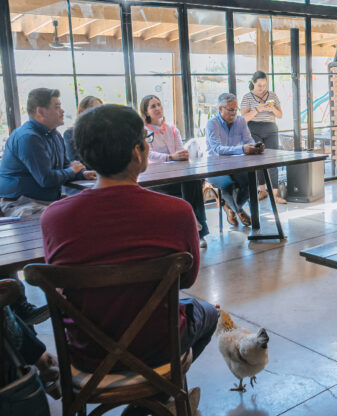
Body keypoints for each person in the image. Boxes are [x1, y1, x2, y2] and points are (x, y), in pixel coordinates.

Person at [40, 105, 217, 413]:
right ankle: (161, 399)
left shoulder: (55, 217)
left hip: (86, 357)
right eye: (145, 141)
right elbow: (187, 279)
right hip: (159, 351)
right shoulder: (176, 212)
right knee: (209, 313)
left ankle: (154, 403)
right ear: (138, 151)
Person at [0, 88, 96, 216]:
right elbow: (46, 179)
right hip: (21, 204)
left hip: (47, 201)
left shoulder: (55, 135)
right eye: (57, 107)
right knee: (68, 217)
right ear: (40, 112)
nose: (62, 111)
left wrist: (82, 174)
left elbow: (66, 166)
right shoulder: (28, 138)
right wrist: (72, 171)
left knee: (92, 209)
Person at [140, 95, 209, 248]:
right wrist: (170, 157)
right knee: (191, 187)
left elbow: (179, 148)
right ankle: (199, 232)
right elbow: (149, 154)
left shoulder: (171, 128)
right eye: (153, 106)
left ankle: (195, 231)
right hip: (154, 179)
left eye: (159, 104)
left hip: (175, 175)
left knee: (193, 182)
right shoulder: (143, 131)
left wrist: (183, 153)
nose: (158, 108)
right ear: (146, 112)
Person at [206, 93, 264, 228]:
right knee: (227, 185)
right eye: (230, 110)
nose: (234, 113)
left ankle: (230, 207)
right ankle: (239, 210)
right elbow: (217, 149)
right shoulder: (212, 124)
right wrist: (242, 149)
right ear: (220, 109)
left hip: (235, 165)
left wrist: (256, 147)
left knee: (250, 181)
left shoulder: (241, 121)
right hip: (215, 166)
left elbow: (248, 141)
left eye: (236, 109)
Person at [240, 71, 286, 204]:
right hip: (253, 130)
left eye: (264, 85)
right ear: (253, 83)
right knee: (258, 161)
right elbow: (243, 118)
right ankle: (263, 191)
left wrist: (272, 109)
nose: (262, 88)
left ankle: (275, 194)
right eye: (259, 85)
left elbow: (280, 115)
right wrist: (258, 110)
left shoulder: (272, 95)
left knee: (273, 160)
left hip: (271, 129)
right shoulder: (247, 97)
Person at [63, 95, 102, 162]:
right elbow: (75, 160)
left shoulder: (104, 132)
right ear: (82, 112)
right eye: (94, 109)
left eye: (100, 110)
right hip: (85, 171)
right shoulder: (70, 133)